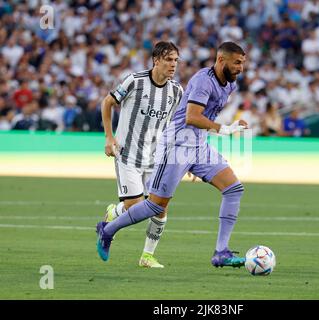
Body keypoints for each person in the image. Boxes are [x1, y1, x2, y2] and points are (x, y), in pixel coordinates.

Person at [96, 42, 248, 268]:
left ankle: (221, 253)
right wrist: (224, 129)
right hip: (176, 144)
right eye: (237, 63)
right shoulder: (202, 81)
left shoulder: (228, 85)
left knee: (234, 189)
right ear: (221, 60)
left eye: (243, 63)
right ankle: (108, 230)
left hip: (197, 145)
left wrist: (194, 162)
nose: (241, 68)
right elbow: (191, 117)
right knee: (155, 206)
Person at [100, 41, 183, 268]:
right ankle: (113, 213)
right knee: (136, 207)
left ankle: (147, 256)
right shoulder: (135, 81)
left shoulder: (176, 91)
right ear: (156, 60)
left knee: (161, 206)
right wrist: (109, 137)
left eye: (176, 60)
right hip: (128, 156)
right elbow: (107, 103)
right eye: (168, 59)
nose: (173, 64)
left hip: (155, 159)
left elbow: (178, 126)